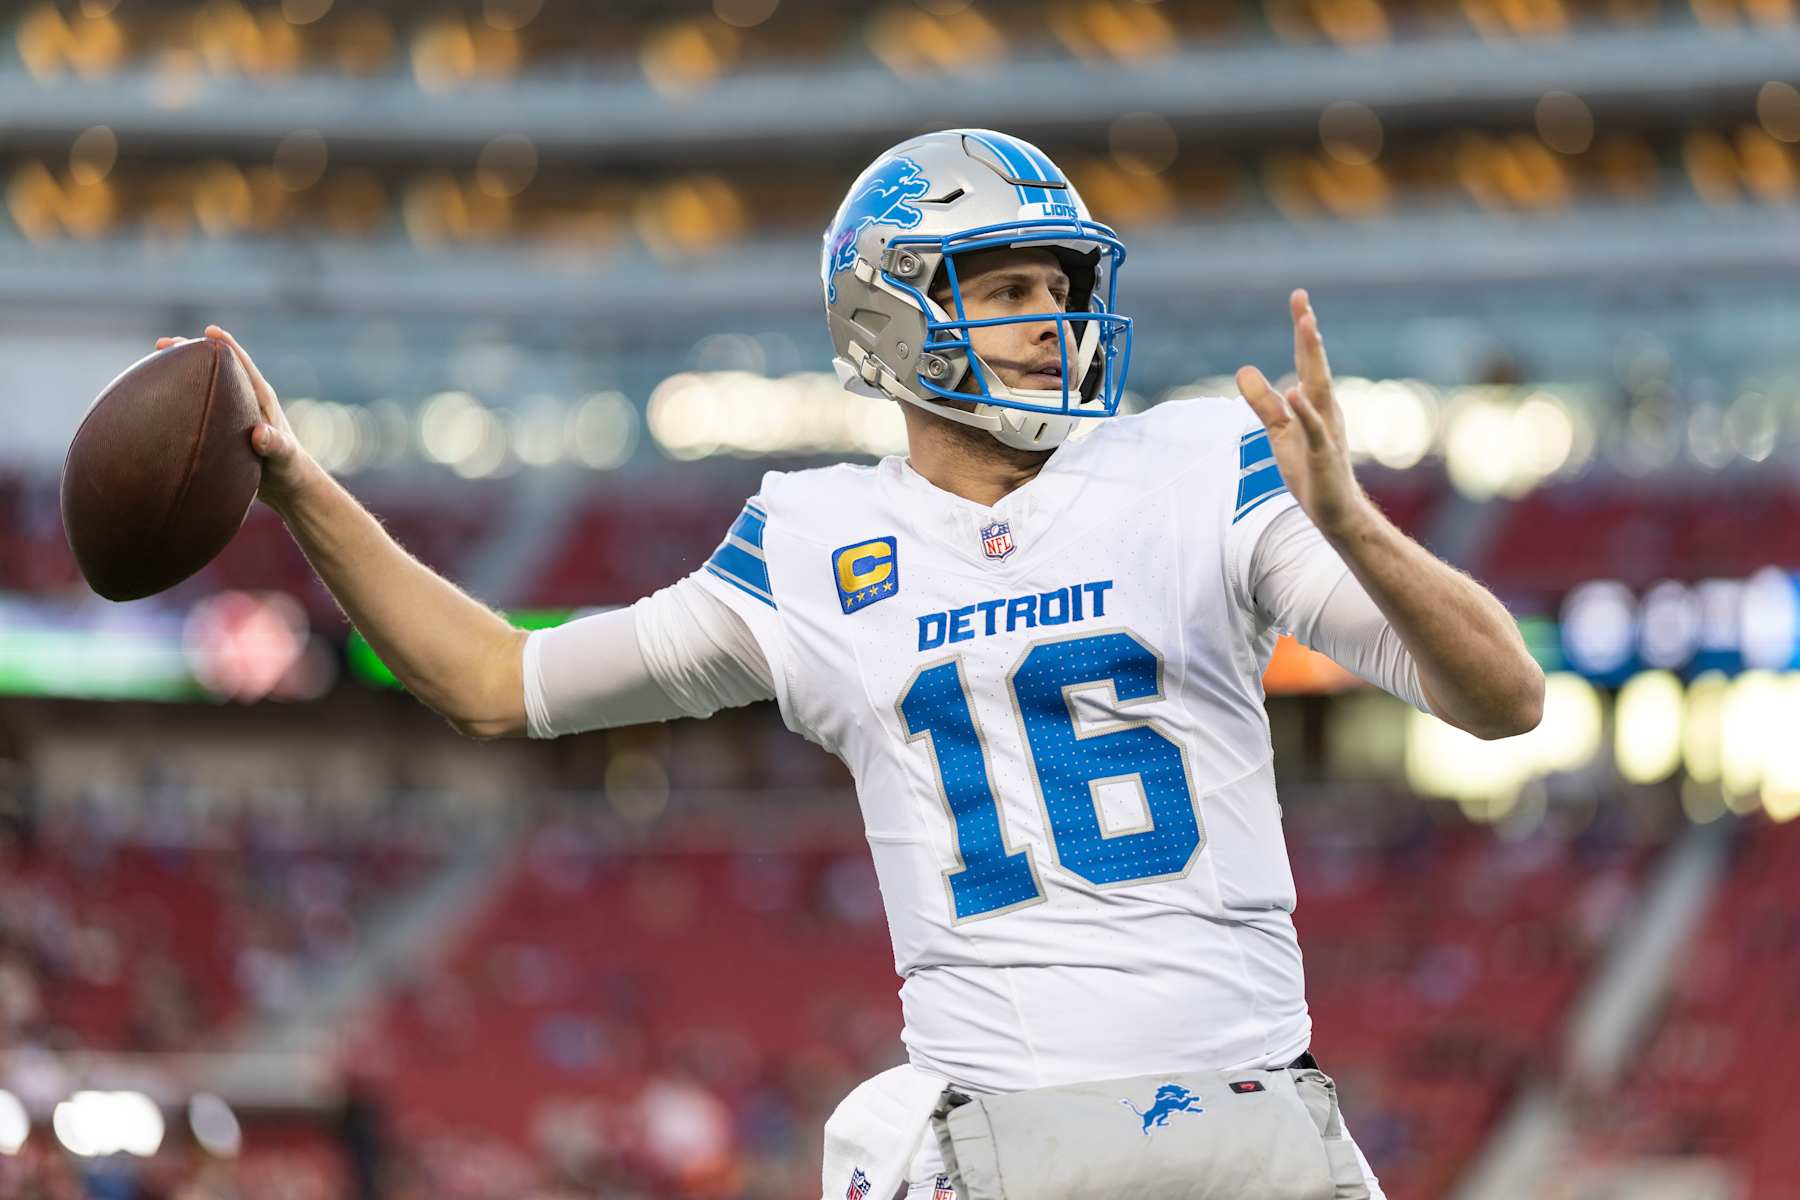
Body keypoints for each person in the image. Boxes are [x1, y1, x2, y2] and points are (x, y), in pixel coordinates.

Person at [158, 128, 1543, 1198]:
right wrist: (297, 486)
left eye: (1060, 288)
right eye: (1004, 288)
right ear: (890, 317)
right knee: (878, 1125)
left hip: (1244, 1107)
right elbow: (489, 681)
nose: (1052, 323)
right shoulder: (818, 540)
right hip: (1009, 1122)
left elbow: (1501, 699)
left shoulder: (1201, 466)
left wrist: (1356, 527)